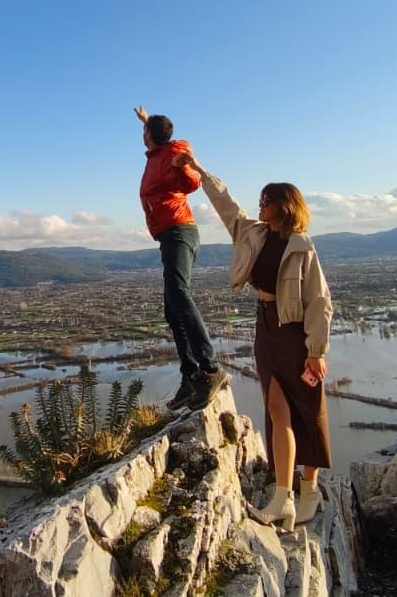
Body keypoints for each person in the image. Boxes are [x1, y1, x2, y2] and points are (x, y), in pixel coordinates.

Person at [178, 151, 334, 530]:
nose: (260, 204)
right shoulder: (253, 233)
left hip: (295, 332)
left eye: (267, 199)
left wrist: (317, 351)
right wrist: (200, 172)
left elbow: (320, 300)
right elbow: (226, 204)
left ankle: (309, 492)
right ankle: (284, 497)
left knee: (308, 410)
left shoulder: (302, 246)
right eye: (261, 200)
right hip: (266, 327)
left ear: (285, 205)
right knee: (276, 410)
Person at [135, 106, 227, 412]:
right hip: (169, 236)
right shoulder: (157, 153)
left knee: (179, 296)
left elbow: (191, 183)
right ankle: (191, 377)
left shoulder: (174, 153)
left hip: (179, 232)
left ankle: (211, 369)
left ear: (150, 137)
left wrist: (186, 166)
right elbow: (163, 137)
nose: (142, 134)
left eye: (145, 131)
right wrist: (148, 121)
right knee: (172, 310)